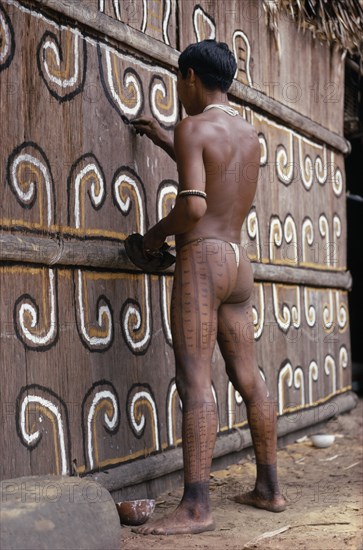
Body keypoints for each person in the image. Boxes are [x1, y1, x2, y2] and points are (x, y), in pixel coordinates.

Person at [130, 39, 286, 536]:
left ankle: (196, 508)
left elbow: (195, 206)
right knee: (250, 377)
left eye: (180, 82)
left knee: (195, 379)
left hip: (203, 259)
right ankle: (269, 488)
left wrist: (153, 238)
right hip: (239, 262)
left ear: (190, 77)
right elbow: (218, 171)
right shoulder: (249, 135)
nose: (180, 91)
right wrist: (161, 136)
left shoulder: (193, 126)